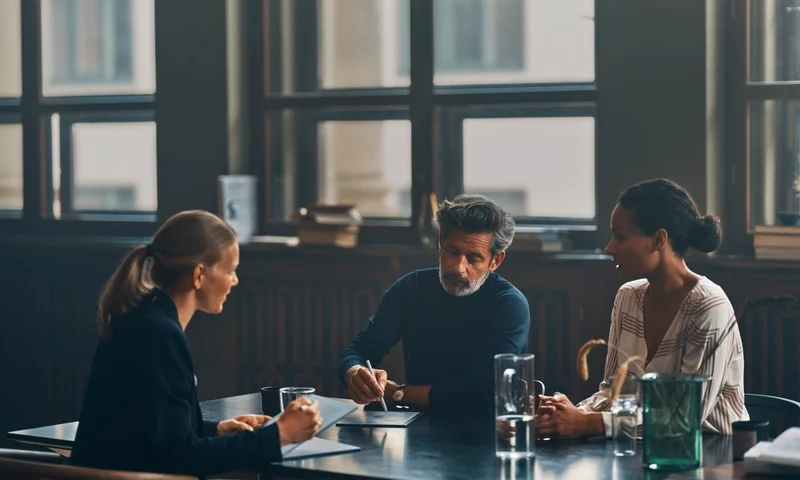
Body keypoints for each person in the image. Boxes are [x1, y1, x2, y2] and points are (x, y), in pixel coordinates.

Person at [70, 210, 322, 477]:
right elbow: (180, 458)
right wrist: (279, 435)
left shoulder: (143, 319)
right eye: (231, 270)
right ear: (199, 275)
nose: (235, 281)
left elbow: (152, 432)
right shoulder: (160, 336)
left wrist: (216, 429)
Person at [535, 178, 748, 438]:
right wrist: (567, 412)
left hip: (710, 456)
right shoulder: (627, 297)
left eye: (619, 236)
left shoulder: (708, 306)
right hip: (639, 451)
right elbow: (611, 393)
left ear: (659, 239)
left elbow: (685, 417)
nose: (609, 248)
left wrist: (587, 423)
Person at [337, 194, 531, 414]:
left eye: (473, 258)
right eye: (453, 252)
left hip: (485, 432)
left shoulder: (509, 305)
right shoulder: (411, 288)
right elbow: (358, 350)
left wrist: (398, 392)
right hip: (417, 426)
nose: (459, 267)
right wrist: (356, 375)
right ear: (441, 243)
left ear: (495, 261)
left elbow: (485, 391)